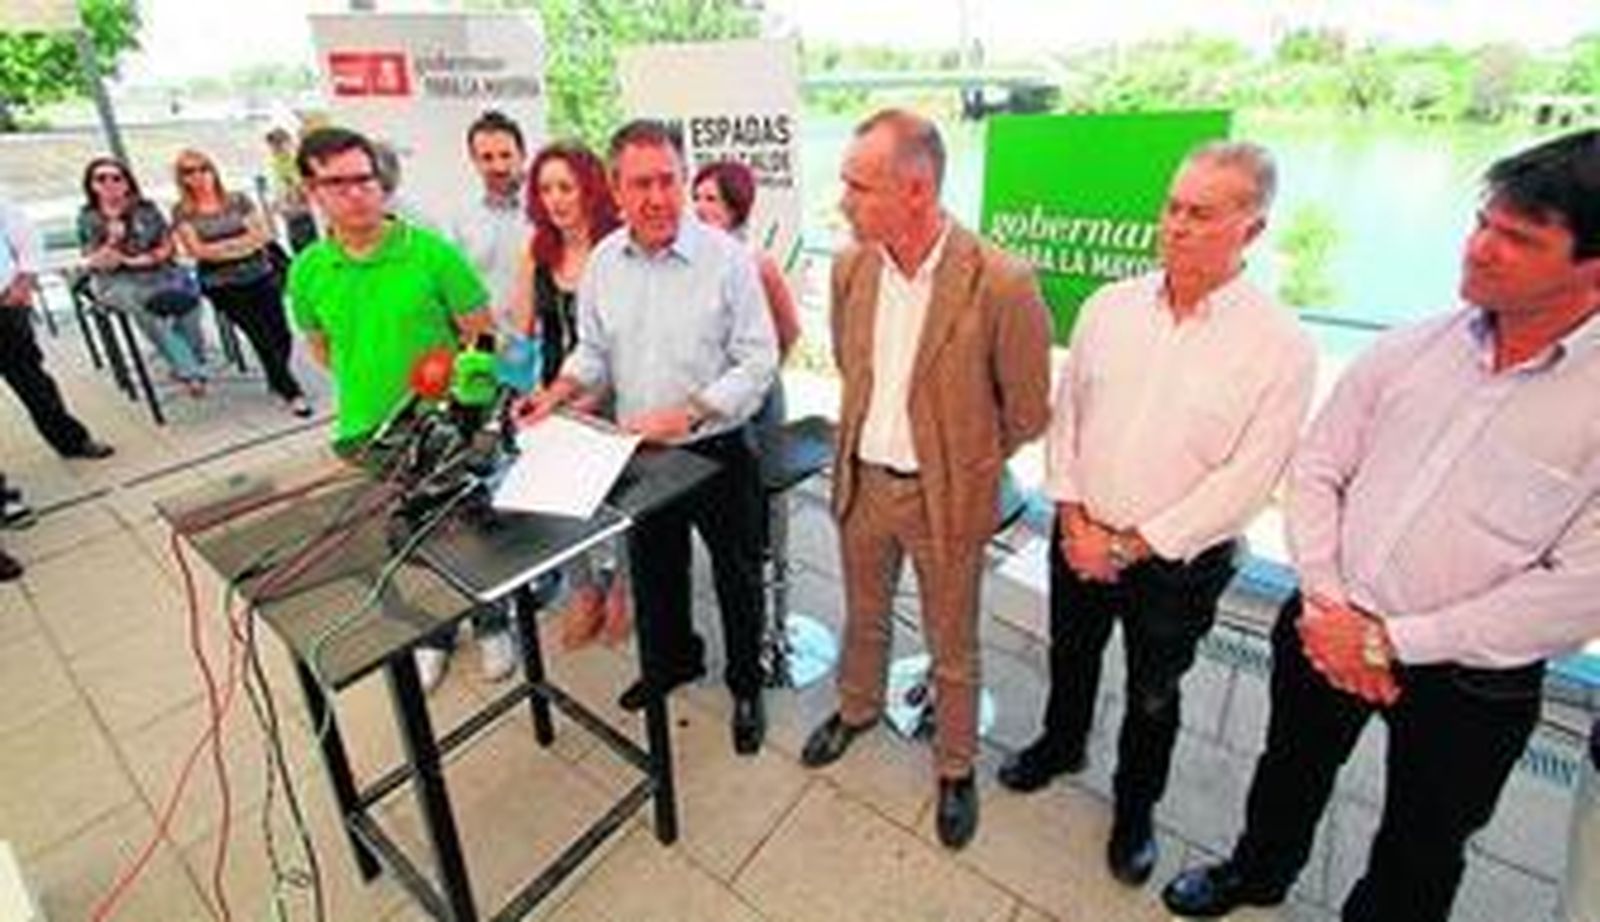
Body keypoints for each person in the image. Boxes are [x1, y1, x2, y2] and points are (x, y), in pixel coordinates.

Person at [1163, 128, 1600, 922]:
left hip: (1471, 678)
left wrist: (1388, 642)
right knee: (1289, 768)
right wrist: (1332, 607)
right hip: (1327, 621)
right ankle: (1256, 875)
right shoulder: (1413, 348)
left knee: (1424, 841)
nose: (1480, 249)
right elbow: (1320, 468)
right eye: (1482, 222)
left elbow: (1577, 592)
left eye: (1518, 238)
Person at [1000, 142, 1315, 886]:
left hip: (1177, 563)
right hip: (1078, 535)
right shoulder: (1111, 307)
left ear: (1254, 229)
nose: (1175, 225)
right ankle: (1060, 744)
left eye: (1200, 214)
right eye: (1172, 206)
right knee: (1069, 654)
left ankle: (1136, 807)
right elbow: (1068, 412)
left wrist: (1132, 546)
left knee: (1154, 691)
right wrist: (1072, 515)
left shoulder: (1281, 346)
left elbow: (1248, 481)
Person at [797, 109, 1052, 850]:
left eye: (858, 185)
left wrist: (964, 456)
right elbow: (855, 367)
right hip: (864, 483)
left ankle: (955, 765)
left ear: (916, 188)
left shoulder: (1001, 281)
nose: (842, 199)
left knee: (952, 639)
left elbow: (1028, 410)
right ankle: (855, 709)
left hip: (948, 495)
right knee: (864, 613)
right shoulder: (851, 267)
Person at [521, 119, 778, 755]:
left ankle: (747, 685)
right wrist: (557, 391)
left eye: (668, 180)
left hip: (719, 450)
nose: (657, 197)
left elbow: (759, 361)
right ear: (614, 188)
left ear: (685, 179)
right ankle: (672, 664)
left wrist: (691, 413)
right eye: (641, 184)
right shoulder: (605, 263)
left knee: (737, 577)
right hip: (642, 455)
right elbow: (593, 353)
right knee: (656, 575)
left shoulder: (729, 260)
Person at [286, 126, 501, 691]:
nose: (356, 193)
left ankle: (491, 621)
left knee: (468, 529)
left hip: (445, 428)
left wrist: (462, 401)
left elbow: (481, 336)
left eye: (364, 179)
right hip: (368, 432)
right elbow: (323, 347)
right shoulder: (306, 269)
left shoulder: (432, 255)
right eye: (338, 183)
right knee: (405, 538)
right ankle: (432, 631)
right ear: (313, 190)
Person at [509, 139, 629, 650]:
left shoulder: (620, 246)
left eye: (567, 187)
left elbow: (630, 335)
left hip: (621, 391)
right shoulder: (536, 252)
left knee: (622, 500)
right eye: (546, 189)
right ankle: (582, 590)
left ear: (591, 189)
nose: (556, 199)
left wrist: (592, 396)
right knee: (559, 497)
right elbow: (522, 332)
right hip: (561, 389)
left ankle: (624, 587)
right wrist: (525, 389)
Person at [170, 149, 311, 417]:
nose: (198, 175)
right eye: (189, 171)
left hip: (260, 273)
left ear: (213, 169)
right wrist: (240, 245)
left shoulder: (237, 200)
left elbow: (262, 235)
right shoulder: (183, 211)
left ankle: (276, 376)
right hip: (221, 284)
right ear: (182, 179)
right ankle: (292, 392)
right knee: (260, 337)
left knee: (282, 333)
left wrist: (223, 248)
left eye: (203, 167)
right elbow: (197, 251)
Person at [690, 159, 803, 460]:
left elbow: (790, 329)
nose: (700, 207)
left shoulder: (757, 263)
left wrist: (761, 374)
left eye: (711, 199)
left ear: (735, 205)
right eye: (697, 197)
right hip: (708, 398)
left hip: (756, 397)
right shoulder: (691, 262)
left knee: (766, 487)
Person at [77, 156, 210, 396]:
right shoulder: (89, 217)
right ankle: (190, 370)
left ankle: (190, 357)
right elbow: (98, 262)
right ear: (92, 185)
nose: (109, 183)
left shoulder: (146, 209)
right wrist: (113, 239)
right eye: (101, 178)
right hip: (115, 281)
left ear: (127, 183)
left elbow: (168, 246)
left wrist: (138, 260)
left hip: (158, 271)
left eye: (116, 177)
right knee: (146, 305)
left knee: (190, 297)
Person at [0, 197, 114, 459]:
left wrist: (23, 282)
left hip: (4, 305)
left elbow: (27, 239)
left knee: (33, 382)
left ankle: (71, 442)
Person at [447, 110, 531, 336]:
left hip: (542, 341)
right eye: (487, 157)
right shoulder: (461, 217)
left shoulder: (547, 209)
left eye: (506, 155)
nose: (499, 166)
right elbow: (455, 287)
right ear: (473, 160)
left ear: (522, 155)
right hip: (485, 341)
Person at [266, 127, 318, 253]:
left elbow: (302, 186)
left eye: (279, 144)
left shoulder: (296, 160)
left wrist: (295, 192)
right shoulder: (276, 163)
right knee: (297, 244)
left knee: (308, 245)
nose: (276, 149)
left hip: (302, 210)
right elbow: (278, 187)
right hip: (290, 213)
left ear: (288, 142)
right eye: (273, 146)